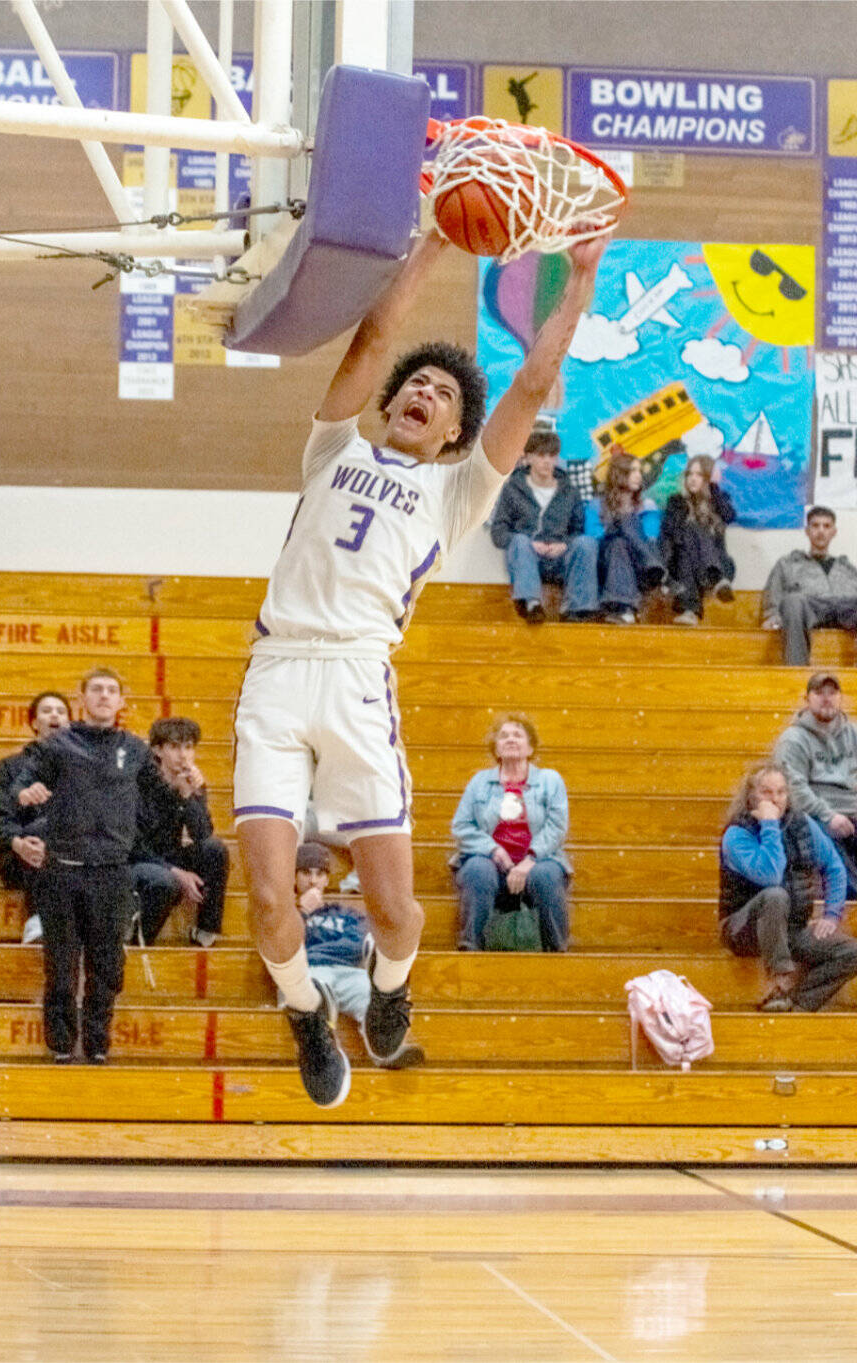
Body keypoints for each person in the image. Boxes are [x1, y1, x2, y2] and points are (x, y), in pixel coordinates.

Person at [233, 225, 608, 1107]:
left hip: (361, 679)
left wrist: (580, 277)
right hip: (278, 671)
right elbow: (372, 336)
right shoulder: (333, 449)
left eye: (441, 393)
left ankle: (392, 988)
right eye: (416, 383)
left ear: (452, 435)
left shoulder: (456, 491)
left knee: (399, 915)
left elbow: (532, 381)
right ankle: (305, 1012)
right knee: (263, 894)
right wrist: (437, 242)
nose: (424, 391)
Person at [14, 667, 170, 1064]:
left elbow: (160, 804)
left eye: (112, 690)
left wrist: (186, 793)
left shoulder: (135, 750)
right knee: (62, 968)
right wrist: (26, 792)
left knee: (107, 968)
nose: (104, 696)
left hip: (112, 872)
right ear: (81, 698)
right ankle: (62, 1046)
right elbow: (21, 786)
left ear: (122, 702)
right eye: (96, 689)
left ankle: (98, 1045)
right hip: (62, 871)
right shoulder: (57, 745)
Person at [719, 763, 857, 1011]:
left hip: (791, 929)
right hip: (744, 929)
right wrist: (770, 825)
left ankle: (797, 1005)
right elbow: (771, 876)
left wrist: (831, 914)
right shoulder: (736, 834)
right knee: (775, 895)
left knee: (856, 953)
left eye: (781, 792)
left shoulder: (802, 824)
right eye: (766, 792)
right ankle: (780, 981)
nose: (774, 799)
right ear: (751, 795)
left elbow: (834, 867)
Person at [283, 842, 424, 1068]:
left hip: (349, 971)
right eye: (306, 873)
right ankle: (323, 1061)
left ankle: (386, 1052)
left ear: (327, 880)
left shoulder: (346, 913)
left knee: (371, 995)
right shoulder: (285, 914)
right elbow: (281, 949)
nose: (312, 880)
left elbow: (362, 945)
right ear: (294, 877)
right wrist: (302, 912)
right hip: (309, 971)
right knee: (313, 995)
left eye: (319, 874)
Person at [451, 714, 570, 952]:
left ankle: (557, 953)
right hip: (490, 862)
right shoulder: (479, 782)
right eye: (503, 736)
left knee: (546, 876)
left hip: (540, 861)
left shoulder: (550, 780)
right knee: (477, 870)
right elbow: (461, 826)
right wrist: (492, 849)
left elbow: (557, 826)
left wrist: (531, 859)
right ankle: (470, 949)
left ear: (531, 746)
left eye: (518, 735)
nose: (510, 740)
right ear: (496, 747)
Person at [129, 717, 229, 946]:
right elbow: (133, 845)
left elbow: (202, 835)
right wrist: (175, 871)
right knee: (165, 882)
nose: (183, 756)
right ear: (158, 750)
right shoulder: (139, 783)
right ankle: (138, 940)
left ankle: (206, 932)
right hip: (137, 860)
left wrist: (188, 797)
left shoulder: (192, 783)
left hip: (169, 854)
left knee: (215, 849)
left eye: (189, 747)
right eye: (174, 747)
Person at [488, 428, 598, 623]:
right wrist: (530, 544)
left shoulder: (570, 491)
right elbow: (499, 533)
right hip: (528, 559)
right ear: (528, 457)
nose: (547, 461)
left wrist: (564, 544)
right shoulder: (512, 489)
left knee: (586, 543)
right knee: (520, 541)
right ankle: (530, 604)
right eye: (540, 455)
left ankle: (578, 610)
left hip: (560, 557)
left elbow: (577, 530)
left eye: (552, 456)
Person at [773, 673, 857, 900]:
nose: (826, 698)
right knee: (836, 859)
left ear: (841, 698)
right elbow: (794, 787)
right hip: (816, 817)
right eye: (819, 693)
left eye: (832, 693)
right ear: (807, 699)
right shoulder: (793, 739)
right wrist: (829, 815)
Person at [0, 690, 71, 944]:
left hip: (69, 851)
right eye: (47, 711)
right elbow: (1, 819)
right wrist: (18, 844)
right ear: (35, 723)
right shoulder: (10, 767)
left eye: (61, 711)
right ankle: (37, 918)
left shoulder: (79, 767)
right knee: (38, 834)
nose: (54, 715)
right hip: (19, 854)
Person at [762, 506, 857, 665]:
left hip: (844, 609)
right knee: (793, 600)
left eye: (826, 526)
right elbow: (774, 596)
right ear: (807, 531)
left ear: (834, 532)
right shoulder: (788, 564)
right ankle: (797, 672)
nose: (821, 531)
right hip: (809, 609)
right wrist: (773, 616)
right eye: (815, 526)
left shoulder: (848, 568)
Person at [582, 449, 664, 624]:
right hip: (606, 564)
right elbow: (593, 537)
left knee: (626, 527)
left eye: (639, 471)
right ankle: (651, 565)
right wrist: (616, 527)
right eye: (632, 471)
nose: (638, 476)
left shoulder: (647, 506)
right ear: (619, 474)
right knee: (618, 539)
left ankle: (624, 609)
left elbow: (651, 537)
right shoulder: (597, 505)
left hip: (639, 567)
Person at [659, 456, 736, 625]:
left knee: (691, 533)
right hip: (684, 568)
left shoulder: (718, 501)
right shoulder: (676, 502)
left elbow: (730, 516)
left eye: (699, 475)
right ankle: (713, 577)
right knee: (688, 536)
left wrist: (713, 488)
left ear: (707, 478)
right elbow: (671, 535)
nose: (693, 479)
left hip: (722, 566)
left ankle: (690, 610)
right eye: (690, 474)